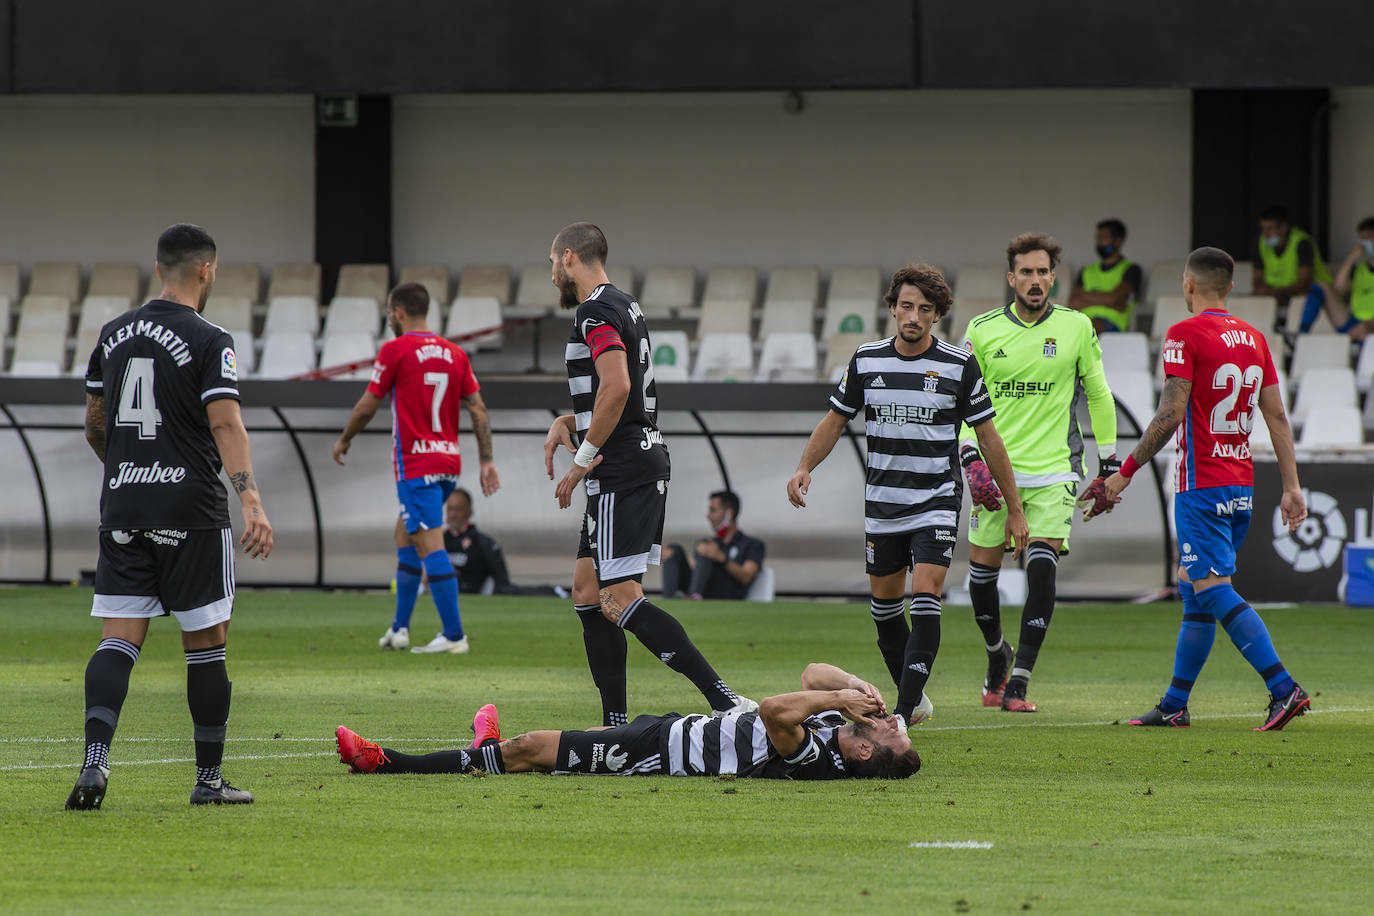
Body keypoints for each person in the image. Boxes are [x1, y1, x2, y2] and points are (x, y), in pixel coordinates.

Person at [67, 223, 274, 810]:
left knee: (117, 641)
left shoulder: (111, 334)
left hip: (124, 507)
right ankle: (208, 781)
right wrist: (251, 500)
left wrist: (130, 470)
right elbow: (226, 423)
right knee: (206, 644)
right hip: (191, 511)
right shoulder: (211, 338)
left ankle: (94, 765)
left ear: (159, 269)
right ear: (206, 270)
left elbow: (95, 425)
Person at [787, 264, 1028, 730]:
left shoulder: (959, 365)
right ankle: (915, 702)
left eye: (924, 309)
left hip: (936, 499)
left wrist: (1014, 508)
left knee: (927, 595)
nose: (913, 316)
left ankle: (900, 714)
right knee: (884, 609)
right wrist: (803, 467)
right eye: (906, 306)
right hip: (883, 503)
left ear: (937, 314)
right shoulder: (867, 360)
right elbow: (835, 421)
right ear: (893, 308)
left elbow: (989, 438)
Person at [542, 222, 751, 728]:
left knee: (619, 596)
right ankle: (615, 722)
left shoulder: (594, 311)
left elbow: (615, 387)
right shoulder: (625, 304)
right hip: (635, 456)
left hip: (621, 467)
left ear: (569, 257)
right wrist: (568, 421)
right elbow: (624, 396)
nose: (551, 273)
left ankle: (724, 699)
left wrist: (580, 459)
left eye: (552, 263)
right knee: (588, 591)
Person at [1097, 247, 1312, 731]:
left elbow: (1171, 414)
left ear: (1187, 285)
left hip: (1201, 485)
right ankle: (1175, 703)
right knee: (1194, 589)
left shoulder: (1184, 334)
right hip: (1241, 483)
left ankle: (1283, 687)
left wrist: (1125, 471)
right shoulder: (1255, 338)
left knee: (1212, 588)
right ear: (1230, 287)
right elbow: (1276, 415)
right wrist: (1292, 486)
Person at [959, 233, 1120, 713]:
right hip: (994, 474)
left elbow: (1099, 394)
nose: (1035, 280)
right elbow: (961, 405)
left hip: (1054, 471)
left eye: (1042, 272)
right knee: (980, 583)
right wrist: (970, 458)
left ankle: (1019, 683)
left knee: (1043, 574)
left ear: (1053, 276)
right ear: (1011, 278)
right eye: (1025, 272)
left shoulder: (1076, 327)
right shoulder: (982, 330)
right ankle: (996, 656)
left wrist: (1110, 462)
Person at [334, 661, 920, 780]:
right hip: (671, 728)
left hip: (660, 753)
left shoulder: (819, 758)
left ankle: (383, 762)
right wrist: (852, 686)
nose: (892, 719)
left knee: (530, 746)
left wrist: (836, 700)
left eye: (894, 731)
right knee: (577, 740)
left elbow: (772, 710)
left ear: (866, 752)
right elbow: (813, 670)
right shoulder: (838, 724)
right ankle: (485, 744)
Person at [332, 282, 500, 654]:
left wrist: (345, 439)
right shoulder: (455, 353)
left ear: (398, 312)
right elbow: (477, 409)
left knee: (430, 545)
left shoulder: (395, 349)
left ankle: (454, 636)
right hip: (446, 463)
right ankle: (399, 630)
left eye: (390, 312)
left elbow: (367, 405)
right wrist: (486, 459)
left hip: (416, 464)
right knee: (405, 536)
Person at [442, 488, 565, 597]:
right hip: (452, 594)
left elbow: (502, 580)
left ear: (469, 511)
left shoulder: (482, 542)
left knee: (508, 591)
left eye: (458, 509)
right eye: (450, 509)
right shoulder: (440, 540)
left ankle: (554, 591)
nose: (453, 514)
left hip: (481, 595)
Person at [661, 490, 765, 600]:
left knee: (707, 551)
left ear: (729, 514)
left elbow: (746, 577)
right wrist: (671, 557)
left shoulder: (753, 544)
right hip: (703, 590)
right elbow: (693, 569)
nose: (708, 516)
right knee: (674, 550)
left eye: (713, 510)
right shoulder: (709, 542)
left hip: (727, 597)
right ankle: (669, 601)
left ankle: (694, 598)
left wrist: (722, 558)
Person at [1252, 204, 1332, 332]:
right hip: (1280, 294)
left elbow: (1305, 281)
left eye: (1270, 228)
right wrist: (1262, 291)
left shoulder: (1302, 242)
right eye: (1263, 229)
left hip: (1311, 292)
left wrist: (1274, 292)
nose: (1265, 234)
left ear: (1283, 227)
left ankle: (1297, 335)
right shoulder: (1262, 242)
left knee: (1302, 297)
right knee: (1256, 298)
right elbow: (1257, 279)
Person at [1302, 216, 1374, 340]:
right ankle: (1301, 334)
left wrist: (1369, 325)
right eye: (1362, 238)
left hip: (1370, 327)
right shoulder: (1359, 268)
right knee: (1321, 286)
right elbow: (1338, 290)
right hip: (1354, 323)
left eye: (1368, 238)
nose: (1364, 242)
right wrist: (1350, 259)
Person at [1068, 218, 1143, 334]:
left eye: (1104, 238)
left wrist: (1087, 299)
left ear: (1118, 241)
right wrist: (1110, 301)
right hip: (1082, 323)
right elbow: (1073, 303)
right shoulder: (1086, 271)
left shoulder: (1131, 269)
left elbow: (1114, 298)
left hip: (1113, 325)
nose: (1099, 242)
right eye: (1098, 238)